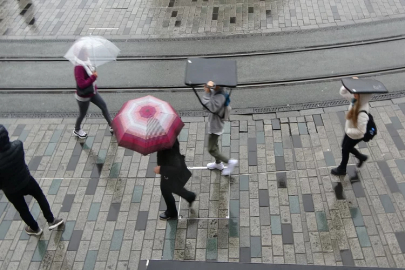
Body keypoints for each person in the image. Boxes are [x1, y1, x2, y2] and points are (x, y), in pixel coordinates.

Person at [0, 125, 64, 236]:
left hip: (11, 190)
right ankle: (51, 220)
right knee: (39, 196)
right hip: (26, 180)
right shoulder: (18, 146)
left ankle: (35, 229)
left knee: (23, 209)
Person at [331, 80, 370, 176]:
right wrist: (350, 85)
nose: (353, 94)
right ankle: (361, 157)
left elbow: (361, 131)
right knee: (345, 146)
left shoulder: (362, 112)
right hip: (350, 130)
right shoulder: (355, 101)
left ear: (361, 96)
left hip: (355, 134)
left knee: (345, 148)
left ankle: (342, 168)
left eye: (356, 93)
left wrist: (349, 131)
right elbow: (343, 93)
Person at [73, 47, 113, 139]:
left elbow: (89, 74)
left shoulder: (87, 62)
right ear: (82, 54)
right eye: (86, 51)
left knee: (103, 106)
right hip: (84, 96)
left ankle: (111, 125)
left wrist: (93, 72)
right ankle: (77, 129)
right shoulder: (79, 67)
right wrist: (93, 77)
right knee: (82, 114)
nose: (88, 53)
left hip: (92, 92)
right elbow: (81, 84)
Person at [202, 81, 238, 176]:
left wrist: (207, 92)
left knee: (211, 149)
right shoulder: (218, 91)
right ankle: (218, 164)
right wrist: (210, 90)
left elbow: (209, 107)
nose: (213, 84)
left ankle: (229, 162)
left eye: (215, 83)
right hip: (215, 123)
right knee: (215, 145)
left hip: (215, 125)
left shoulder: (220, 96)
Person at [154, 139, 196, 220]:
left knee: (165, 189)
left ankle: (172, 212)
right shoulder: (168, 140)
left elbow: (176, 167)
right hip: (167, 170)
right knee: (173, 187)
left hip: (169, 173)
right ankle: (189, 196)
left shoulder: (168, 148)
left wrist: (161, 169)